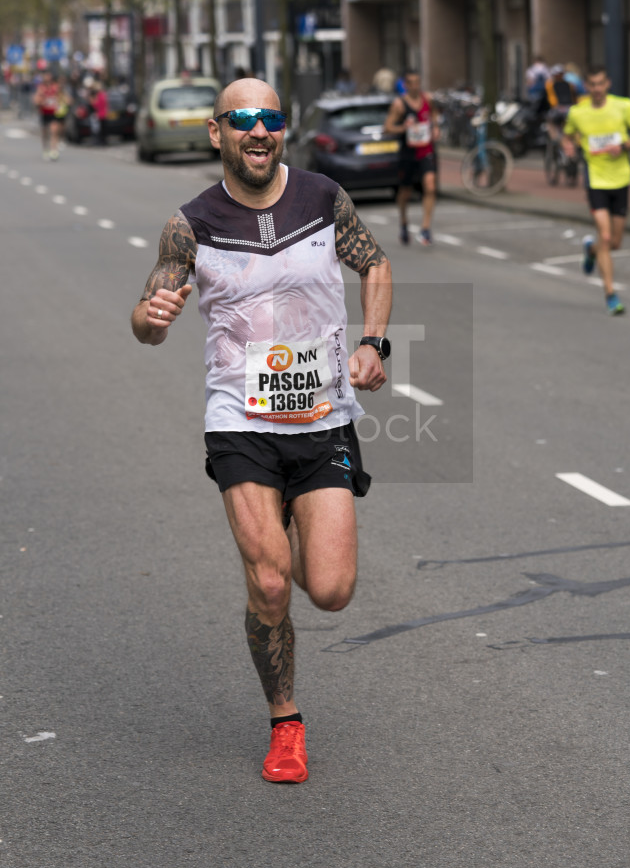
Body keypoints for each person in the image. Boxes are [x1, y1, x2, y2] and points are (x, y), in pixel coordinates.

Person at [131, 77, 392, 784]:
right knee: (272, 585)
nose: (258, 130)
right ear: (217, 132)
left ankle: (291, 524)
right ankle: (285, 721)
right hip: (240, 421)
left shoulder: (321, 198)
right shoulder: (191, 224)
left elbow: (373, 263)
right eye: (242, 118)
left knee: (330, 589)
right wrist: (149, 319)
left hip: (321, 418)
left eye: (270, 118)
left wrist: (374, 343)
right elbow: (149, 310)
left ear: (282, 130)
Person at [562, 66, 630, 316]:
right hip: (595, 179)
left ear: (607, 84)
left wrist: (624, 146)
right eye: (592, 85)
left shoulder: (624, 106)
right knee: (607, 237)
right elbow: (567, 136)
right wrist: (567, 147)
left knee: (615, 243)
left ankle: (590, 249)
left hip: (621, 179)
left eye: (601, 84)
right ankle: (611, 294)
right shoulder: (577, 113)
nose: (597, 89)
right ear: (586, 87)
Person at [384, 68, 439, 246]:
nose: (416, 86)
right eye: (412, 83)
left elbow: (434, 115)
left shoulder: (427, 99)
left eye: (418, 82)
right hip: (408, 154)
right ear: (406, 85)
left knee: (430, 186)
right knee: (405, 192)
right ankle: (404, 222)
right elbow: (387, 127)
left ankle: (425, 229)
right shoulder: (399, 105)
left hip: (426, 151)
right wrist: (403, 128)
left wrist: (436, 127)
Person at [33, 69, 68, 160]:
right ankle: (45, 149)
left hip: (53, 112)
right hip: (44, 112)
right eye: (46, 76)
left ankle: (54, 150)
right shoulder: (41, 88)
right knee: (45, 132)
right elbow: (36, 99)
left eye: (49, 76)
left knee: (54, 130)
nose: (48, 78)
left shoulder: (55, 87)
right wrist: (41, 101)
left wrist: (61, 102)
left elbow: (62, 96)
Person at [544, 64, 577, 143]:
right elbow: (574, 97)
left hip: (559, 109)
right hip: (570, 108)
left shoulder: (550, 84)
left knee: (549, 121)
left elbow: (552, 100)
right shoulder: (569, 84)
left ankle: (555, 139)